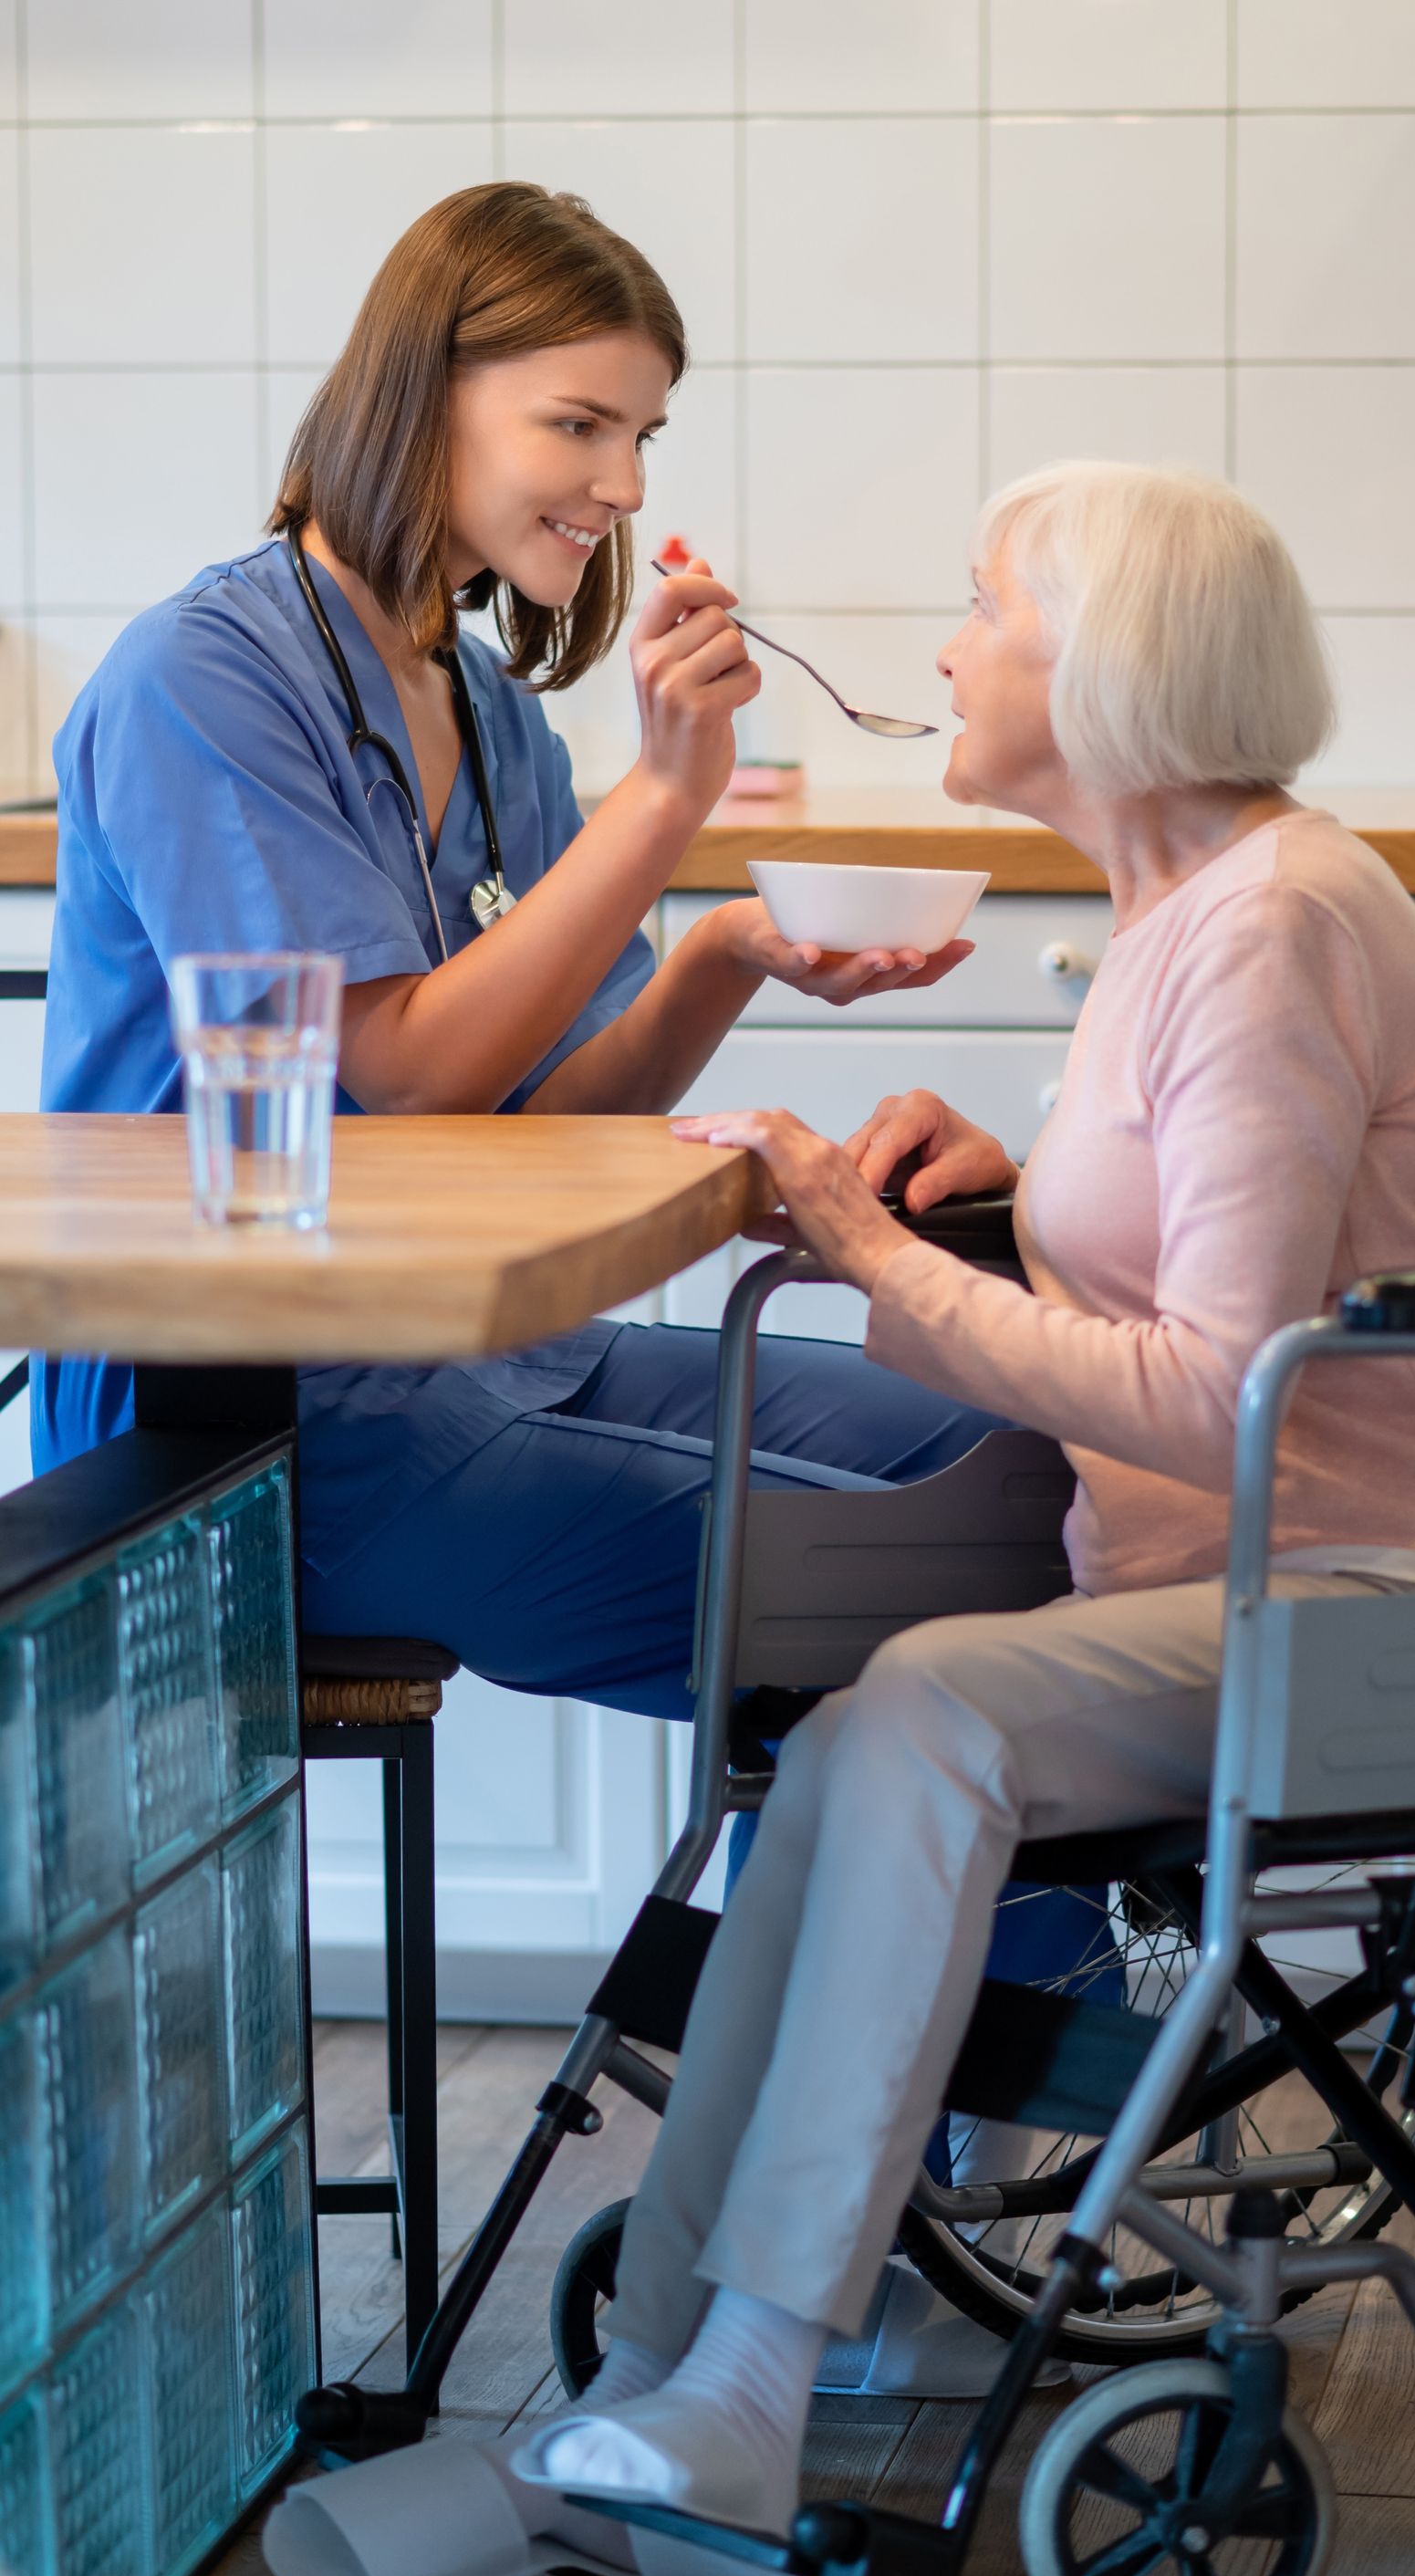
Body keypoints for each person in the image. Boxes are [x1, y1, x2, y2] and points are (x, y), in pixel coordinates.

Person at [261, 461, 1415, 2576]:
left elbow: (1216, 1391)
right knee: (860, 1725)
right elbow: (1172, 1281)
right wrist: (1000, 1197)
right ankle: (701, 2349)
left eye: (985, 610)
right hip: (1238, 1586)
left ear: (1117, 671)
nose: (948, 648)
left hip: (1394, 1604)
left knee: (917, 1716)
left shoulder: (1264, 928)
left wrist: (875, 1238)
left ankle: (750, 2362)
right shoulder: (1198, 908)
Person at [34, 179, 1004, 1710]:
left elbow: (548, 1136)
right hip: (256, 1428)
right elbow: (410, 1083)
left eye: (643, 440)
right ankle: (925, 1959)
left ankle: (908, 1952)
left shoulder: (486, 711)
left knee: (1012, 1460)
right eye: (579, 426)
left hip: (494, 1353)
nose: (621, 484)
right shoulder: (201, 680)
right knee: (941, 1591)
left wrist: (723, 953)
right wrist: (669, 799)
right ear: (428, 398)